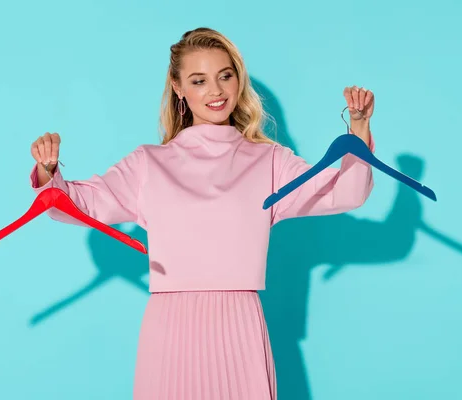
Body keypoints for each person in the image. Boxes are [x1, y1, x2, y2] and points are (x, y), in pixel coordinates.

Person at [29, 27, 375, 400]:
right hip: (170, 328)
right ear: (179, 88)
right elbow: (77, 205)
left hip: (240, 324)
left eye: (225, 76)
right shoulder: (150, 163)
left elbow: (347, 193)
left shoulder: (269, 160)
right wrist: (49, 172)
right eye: (199, 80)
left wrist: (358, 129)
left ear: (238, 80)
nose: (216, 91)